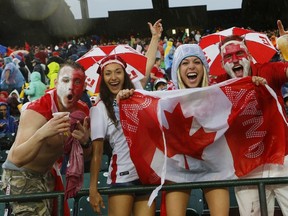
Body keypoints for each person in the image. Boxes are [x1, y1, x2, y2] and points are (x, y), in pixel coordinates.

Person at [213, 20, 288, 216]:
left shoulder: (267, 71)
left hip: (282, 159)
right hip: (247, 167)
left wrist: (287, 47)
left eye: (240, 54)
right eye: (228, 57)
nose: (235, 60)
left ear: (250, 57)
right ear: (222, 64)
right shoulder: (218, 86)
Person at [89, 19, 163, 215]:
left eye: (118, 72)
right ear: (103, 79)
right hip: (121, 176)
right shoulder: (98, 107)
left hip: (147, 174)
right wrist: (93, 188)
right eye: (108, 74)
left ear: (125, 75)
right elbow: (97, 153)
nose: (113, 77)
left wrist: (155, 37)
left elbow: (146, 66)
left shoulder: (136, 92)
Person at [1, 60, 91, 215]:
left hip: (48, 173)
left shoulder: (82, 112)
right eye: (65, 80)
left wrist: (85, 142)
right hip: (22, 174)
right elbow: (15, 158)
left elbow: (87, 156)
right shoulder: (37, 111)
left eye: (77, 82)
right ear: (56, 83)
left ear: (83, 87)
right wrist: (43, 133)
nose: (70, 87)